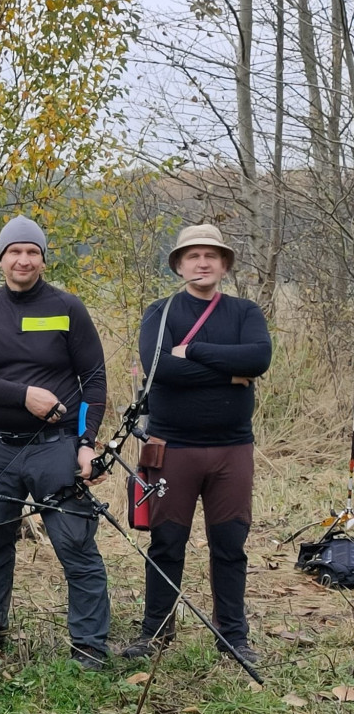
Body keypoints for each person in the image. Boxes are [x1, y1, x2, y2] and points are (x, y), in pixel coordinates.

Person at [0, 215, 111, 670]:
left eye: (32, 251)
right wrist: (25, 397)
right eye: (14, 251)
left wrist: (86, 442)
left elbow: (94, 379)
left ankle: (90, 643)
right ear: (0, 258)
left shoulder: (67, 307)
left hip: (56, 446)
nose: (23, 259)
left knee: (75, 542)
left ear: (42, 259)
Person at [122, 224, 271, 664]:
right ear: (179, 265)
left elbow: (258, 358)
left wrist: (194, 351)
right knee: (167, 543)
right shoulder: (161, 313)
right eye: (192, 256)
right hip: (174, 449)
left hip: (232, 450)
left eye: (211, 256)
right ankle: (155, 634)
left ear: (224, 265)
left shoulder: (245, 312)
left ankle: (233, 639)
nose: (202, 263)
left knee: (230, 544)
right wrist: (231, 371)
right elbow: (159, 368)